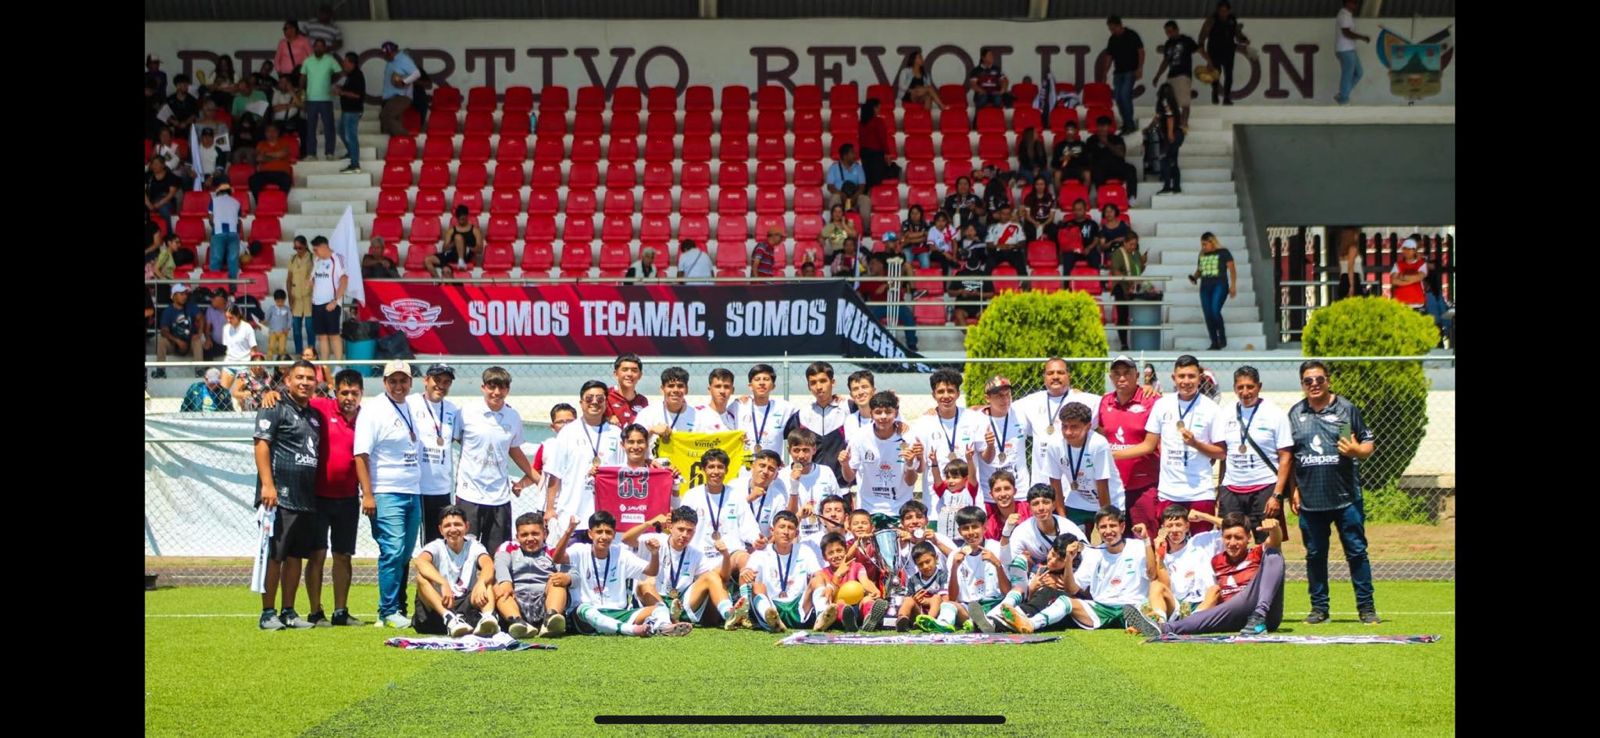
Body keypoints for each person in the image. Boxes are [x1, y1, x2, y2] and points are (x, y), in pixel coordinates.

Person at [1287, 361, 1379, 625]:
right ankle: (1319, 609)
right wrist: (1293, 491)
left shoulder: (1345, 409)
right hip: (1310, 500)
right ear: (1302, 384)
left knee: (1357, 553)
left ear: (1328, 380)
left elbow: (1367, 443)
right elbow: (1289, 457)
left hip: (1346, 498)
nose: (1314, 384)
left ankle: (1366, 608)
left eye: (1319, 379)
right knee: (1315, 556)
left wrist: (1356, 451)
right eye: (1308, 381)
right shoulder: (1295, 414)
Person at [1126, 514, 1286, 637]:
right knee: (1215, 601)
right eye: (1227, 537)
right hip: (1230, 614)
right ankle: (1160, 627)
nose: (1232, 543)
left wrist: (1275, 529)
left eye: (1238, 538)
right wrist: (1158, 555)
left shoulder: (1256, 553)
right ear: (1222, 538)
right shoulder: (1217, 560)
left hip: (1264, 613)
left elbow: (1275, 541)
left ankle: (1258, 617)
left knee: (1274, 554)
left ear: (1248, 538)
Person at [1113, 356, 1222, 533]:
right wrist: (1112, 454)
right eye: (1181, 376)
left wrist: (1196, 444)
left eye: (1191, 376)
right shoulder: (1162, 405)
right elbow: (1148, 445)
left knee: (1201, 544)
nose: (1186, 381)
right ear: (1173, 378)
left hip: (1200, 492)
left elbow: (1221, 453)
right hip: (1169, 492)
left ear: (1199, 378)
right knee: (1171, 544)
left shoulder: (1212, 409)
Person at [354, 360, 426, 629]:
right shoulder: (373, 410)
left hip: (412, 491)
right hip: (386, 492)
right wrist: (368, 494)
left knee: (404, 553)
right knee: (392, 551)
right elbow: (361, 454)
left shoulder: (411, 407)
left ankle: (396, 607)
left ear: (410, 382)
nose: (398, 386)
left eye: (403, 380)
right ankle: (387, 611)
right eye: (393, 381)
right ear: (384, 382)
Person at [252, 360, 322, 629]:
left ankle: (288, 612)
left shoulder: (314, 415)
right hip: (278, 496)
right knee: (275, 556)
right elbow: (261, 445)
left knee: (295, 557)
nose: (305, 382)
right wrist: (267, 485)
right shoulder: (274, 406)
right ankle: (267, 613)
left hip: (305, 498)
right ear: (288, 381)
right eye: (299, 377)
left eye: (310, 378)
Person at [1005, 507, 1152, 633]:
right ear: (1097, 529)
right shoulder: (1093, 553)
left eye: (1112, 526)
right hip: (1101, 607)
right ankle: (1030, 624)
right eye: (1103, 527)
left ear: (1122, 527)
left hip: (1132, 605)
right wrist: (1069, 560)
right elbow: (1072, 589)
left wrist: (1146, 540)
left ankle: (1144, 621)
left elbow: (1152, 574)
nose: (1108, 531)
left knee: (1139, 610)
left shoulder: (1138, 547)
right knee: (1065, 601)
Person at [1198, 367, 1294, 543]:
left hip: (1265, 488)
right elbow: (1224, 455)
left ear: (1259, 386)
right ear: (1234, 388)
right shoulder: (1225, 413)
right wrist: (1220, 489)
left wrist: (1277, 495)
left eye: (1250, 387)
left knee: (1268, 544)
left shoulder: (1275, 414)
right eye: (1240, 387)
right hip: (1232, 489)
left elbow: (1286, 457)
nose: (1245, 392)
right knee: (1230, 541)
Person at [553, 510, 686, 637]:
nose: (604, 537)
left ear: (614, 534)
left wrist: (654, 554)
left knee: (660, 608)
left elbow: (651, 571)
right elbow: (557, 558)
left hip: (618, 613)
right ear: (590, 534)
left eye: (608, 532)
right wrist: (569, 531)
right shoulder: (579, 550)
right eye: (599, 532)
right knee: (585, 610)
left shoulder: (621, 553)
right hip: (586, 616)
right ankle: (631, 630)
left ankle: (663, 626)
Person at [304, 368, 366, 627]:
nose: (349, 398)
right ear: (335, 392)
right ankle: (315, 611)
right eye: (344, 392)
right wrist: (272, 394)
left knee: (343, 556)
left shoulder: (367, 418)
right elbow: (295, 399)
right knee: (317, 555)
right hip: (317, 497)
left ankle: (340, 611)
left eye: (354, 393)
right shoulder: (320, 407)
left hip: (348, 499)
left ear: (361, 394)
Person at [455, 367, 538, 554]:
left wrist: (536, 478)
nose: (497, 392)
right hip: (469, 494)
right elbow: (456, 439)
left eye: (502, 388)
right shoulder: (466, 412)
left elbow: (514, 449)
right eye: (492, 387)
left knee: (498, 553)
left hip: (499, 496)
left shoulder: (513, 416)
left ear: (508, 390)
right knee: (465, 551)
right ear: (483, 387)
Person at [543, 380, 627, 545]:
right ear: (581, 402)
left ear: (606, 402)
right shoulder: (568, 432)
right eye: (589, 398)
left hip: (606, 517)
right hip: (573, 513)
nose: (594, 402)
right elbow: (555, 474)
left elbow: (624, 473)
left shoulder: (616, 433)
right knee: (570, 560)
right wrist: (550, 509)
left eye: (600, 398)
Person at [623, 506, 734, 627]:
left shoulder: (696, 554)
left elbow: (722, 578)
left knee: (711, 576)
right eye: (681, 529)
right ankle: (664, 617)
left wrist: (726, 556)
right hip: (652, 601)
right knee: (646, 582)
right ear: (670, 527)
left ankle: (729, 614)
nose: (685, 535)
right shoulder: (655, 540)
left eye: (690, 531)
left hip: (679, 605)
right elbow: (626, 539)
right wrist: (649, 523)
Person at [910, 369, 992, 530]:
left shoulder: (974, 418)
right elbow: (919, 467)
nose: (946, 396)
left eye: (950, 391)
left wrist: (990, 445)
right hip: (936, 506)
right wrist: (917, 456)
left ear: (958, 393)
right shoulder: (923, 424)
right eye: (941, 391)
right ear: (933, 395)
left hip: (970, 506)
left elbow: (987, 458)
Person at [411, 505, 499, 637]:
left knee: (487, 581)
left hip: (465, 603)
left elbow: (488, 564)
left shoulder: (474, 545)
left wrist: (481, 582)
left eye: (457, 524)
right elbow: (420, 562)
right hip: (440, 604)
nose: (453, 529)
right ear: (441, 530)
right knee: (421, 577)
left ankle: (488, 618)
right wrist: (443, 583)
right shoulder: (436, 546)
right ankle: (449, 619)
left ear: (467, 527)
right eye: (447, 526)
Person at [1016, 357, 1103, 490]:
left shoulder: (1086, 400)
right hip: (1042, 484)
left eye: (1060, 372)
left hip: (1074, 486)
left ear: (1069, 375)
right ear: (1044, 377)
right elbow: (1002, 408)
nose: (1055, 376)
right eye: (1050, 373)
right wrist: (984, 408)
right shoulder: (1031, 401)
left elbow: (1112, 404)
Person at [1099, 356, 1162, 534]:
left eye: (1127, 373)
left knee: (1146, 538)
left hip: (1143, 485)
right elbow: (1100, 435)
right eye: (1116, 373)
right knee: (1114, 538)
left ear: (1137, 375)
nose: (1122, 378)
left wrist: (1111, 454)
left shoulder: (1152, 401)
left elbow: (1150, 445)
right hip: (1113, 486)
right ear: (1110, 377)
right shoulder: (1104, 402)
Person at [841, 391, 923, 529]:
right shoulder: (859, 438)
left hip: (900, 509)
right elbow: (849, 477)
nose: (883, 417)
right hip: (869, 509)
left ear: (896, 413)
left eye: (888, 412)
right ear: (871, 413)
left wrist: (909, 465)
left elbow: (910, 481)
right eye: (878, 412)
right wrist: (844, 464)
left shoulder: (908, 438)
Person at [406, 363, 463, 545]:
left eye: (446, 382)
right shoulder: (410, 403)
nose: (441, 385)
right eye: (437, 380)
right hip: (416, 485)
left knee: (437, 541)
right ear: (426, 380)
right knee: (407, 541)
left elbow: (458, 439)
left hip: (441, 487)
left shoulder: (453, 409)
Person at [740, 511, 824, 633]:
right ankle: (772, 619)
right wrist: (746, 572)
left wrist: (828, 587)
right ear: (772, 530)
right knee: (757, 586)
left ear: (796, 533)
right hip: (772, 605)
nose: (786, 532)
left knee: (818, 580)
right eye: (782, 527)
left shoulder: (805, 550)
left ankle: (822, 615)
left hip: (799, 606)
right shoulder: (760, 553)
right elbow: (747, 571)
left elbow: (819, 574)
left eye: (790, 528)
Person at [492, 513, 575, 638]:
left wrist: (568, 578)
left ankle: (551, 620)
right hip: (516, 601)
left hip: (544, 602)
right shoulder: (509, 547)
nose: (530, 538)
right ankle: (518, 623)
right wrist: (505, 582)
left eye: (535, 534)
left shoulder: (553, 551)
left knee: (557, 580)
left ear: (545, 534)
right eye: (524, 535)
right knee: (499, 587)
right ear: (517, 537)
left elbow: (575, 574)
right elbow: (500, 564)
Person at [1047, 402, 1125, 531]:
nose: (1068, 432)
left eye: (1074, 427)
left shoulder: (1098, 444)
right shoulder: (1054, 444)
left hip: (1109, 500)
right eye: (1064, 426)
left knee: (1110, 538)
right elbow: (1055, 482)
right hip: (1078, 500)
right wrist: (1063, 518)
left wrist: (1106, 519)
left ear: (1088, 426)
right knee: (1072, 539)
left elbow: (1102, 484)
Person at [946, 505, 1014, 632]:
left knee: (1006, 607)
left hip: (994, 602)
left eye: (975, 527)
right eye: (965, 528)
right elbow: (952, 597)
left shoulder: (996, 548)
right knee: (948, 605)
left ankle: (982, 622)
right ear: (959, 531)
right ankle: (944, 625)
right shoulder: (954, 555)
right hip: (968, 607)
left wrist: (997, 565)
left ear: (984, 527)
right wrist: (955, 568)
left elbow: (1007, 591)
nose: (971, 532)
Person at [781, 362, 851, 483]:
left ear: (833, 382)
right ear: (808, 386)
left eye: (823, 381)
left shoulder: (849, 409)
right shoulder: (801, 415)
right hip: (810, 485)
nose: (818, 387)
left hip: (843, 486)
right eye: (813, 383)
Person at [811, 531, 884, 631]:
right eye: (831, 553)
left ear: (845, 551)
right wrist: (837, 576)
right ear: (824, 557)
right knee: (840, 602)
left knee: (867, 599)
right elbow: (829, 597)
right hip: (837, 611)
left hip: (857, 606)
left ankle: (870, 618)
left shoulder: (857, 566)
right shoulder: (823, 573)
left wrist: (874, 591)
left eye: (839, 551)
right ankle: (848, 621)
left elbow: (865, 581)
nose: (836, 555)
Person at [974, 377, 1029, 500]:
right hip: (990, 494)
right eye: (999, 396)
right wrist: (990, 445)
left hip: (1020, 492)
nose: (1005, 399)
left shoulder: (1021, 414)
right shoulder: (976, 420)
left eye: (1007, 394)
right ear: (987, 398)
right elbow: (987, 459)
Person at [1187, 232, 1237, 350]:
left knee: (1215, 310)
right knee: (1208, 314)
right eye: (1202, 244)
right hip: (1205, 286)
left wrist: (1233, 286)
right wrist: (1194, 277)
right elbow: (1200, 270)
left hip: (1220, 285)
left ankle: (1222, 336)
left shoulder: (1223, 252)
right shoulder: (1202, 254)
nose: (1203, 247)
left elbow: (1232, 270)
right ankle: (1214, 342)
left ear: (1212, 242)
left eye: (1205, 244)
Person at [1199, 1, 1249, 106]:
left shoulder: (1232, 19)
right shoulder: (1212, 20)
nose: (1223, 13)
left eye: (1225, 11)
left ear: (1229, 11)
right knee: (1216, 73)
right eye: (1221, 11)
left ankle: (1227, 97)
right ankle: (1215, 92)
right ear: (1218, 11)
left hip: (1228, 50)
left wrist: (1244, 39)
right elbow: (1203, 33)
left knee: (1229, 74)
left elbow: (1237, 33)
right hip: (1214, 50)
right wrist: (1201, 46)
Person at [1153, 20, 1200, 128]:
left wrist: (1209, 62)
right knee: (1168, 101)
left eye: (1170, 31)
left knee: (1184, 102)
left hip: (1183, 74)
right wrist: (1158, 75)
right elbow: (1165, 61)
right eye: (1166, 32)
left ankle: (1184, 125)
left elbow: (1199, 50)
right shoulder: (1168, 43)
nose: (1168, 34)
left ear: (1176, 30)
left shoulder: (1186, 40)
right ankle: (1175, 125)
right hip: (1171, 75)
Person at [1103, 16, 1146, 134]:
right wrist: (1105, 72)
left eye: (1113, 29)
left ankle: (1129, 124)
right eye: (1110, 29)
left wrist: (1140, 68)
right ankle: (1126, 122)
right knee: (1118, 97)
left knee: (1124, 95)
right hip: (1118, 72)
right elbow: (1109, 57)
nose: (1112, 31)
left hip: (1130, 71)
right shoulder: (1112, 39)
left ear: (1119, 25)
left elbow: (1141, 52)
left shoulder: (1132, 35)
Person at [740, 363, 795, 456]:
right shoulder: (739, 407)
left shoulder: (785, 408)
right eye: (757, 379)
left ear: (773, 386)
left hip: (772, 464)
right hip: (745, 464)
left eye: (766, 379)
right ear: (750, 386)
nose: (761, 383)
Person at [300, 38, 340, 161]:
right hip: (311, 99)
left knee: (329, 127)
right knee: (310, 127)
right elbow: (303, 77)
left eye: (321, 46)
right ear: (313, 48)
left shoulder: (330, 60)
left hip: (326, 99)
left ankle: (329, 152)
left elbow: (339, 72)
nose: (318, 48)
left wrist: (330, 81)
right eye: (316, 46)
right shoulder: (307, 61)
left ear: (325, 48)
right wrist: (302, 92)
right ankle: (311, 153)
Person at [309, 235, 348, 361]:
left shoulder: (337, 258)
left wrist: (335, 300)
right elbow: (313, 278)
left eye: (316, 250)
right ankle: (324, 365)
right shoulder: (317, 260)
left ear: (323, 247)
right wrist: (310, 283)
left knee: (334, 335)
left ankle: (338, 365)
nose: (314, 253)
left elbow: (344, 280)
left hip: (331, 303)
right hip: (317, 303)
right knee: (322, 336)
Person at [1108, 232, 1149, 351]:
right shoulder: (1118, 253)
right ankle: (1124, 343)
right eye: (1131, 244)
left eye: (1135, 244)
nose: (1133, 247)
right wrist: (1127, 279)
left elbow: (1138, 269)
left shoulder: (1135, 253)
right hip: (1121, 287)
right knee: (1123, 315)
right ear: (1124, 243)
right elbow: (1115, 271)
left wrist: (1143, 262)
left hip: (1134, 287)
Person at [1084, 116, 1139, 198]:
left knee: (1131, 169)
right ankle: (1102, 196)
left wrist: (1107, 143)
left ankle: (1131, 198)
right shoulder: (1091, 140)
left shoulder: (1116, 139)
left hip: (1116, 167)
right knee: (1096, 169)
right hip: (1100, 168)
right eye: (1100, 126)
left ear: (1109, 127)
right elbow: (1087, 157)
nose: (1102, 128)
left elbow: (1121, 154)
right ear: (1097, 126)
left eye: (1104, 126)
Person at [155, 283, 205, 371]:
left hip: (190, 343)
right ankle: (160, 371)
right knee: (161, 340)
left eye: (186, 294)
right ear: (174, 296)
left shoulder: (191, 306)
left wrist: (200, 333)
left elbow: (201, 318)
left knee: (197, 340)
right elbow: (164, 331)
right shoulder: (168, 311)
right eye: (181, 294)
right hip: (174, 344)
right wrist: (177, 341)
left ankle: (199, 370)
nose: (185, 296)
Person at [379, 42, 421, 136]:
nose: (385, 57)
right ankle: (399, 144)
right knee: (390, 126)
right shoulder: (391, 61)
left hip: (400, 97)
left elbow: (416, 73)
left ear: (393, 52)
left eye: (387, 54)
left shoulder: (403, 59)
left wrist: (404, 82)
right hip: (390, 98)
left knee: (385, 116)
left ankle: (406, 138)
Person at [1335, 0, 1371, 105]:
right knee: (1347, 74)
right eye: (1354, 2)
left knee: (1359, 73)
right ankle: (1343, 100)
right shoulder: (1344, 15)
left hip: (1350, 49)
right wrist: (1362, 37)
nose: (1356, 4)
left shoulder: (1348, 15)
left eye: (1356, 2)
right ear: (1347, 3)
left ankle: (1342, 95)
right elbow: (1346, 33)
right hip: (1345, 50)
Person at [428, 205, 482, 277]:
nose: (461, 221)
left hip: (466, 255)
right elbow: (445, 248)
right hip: (452, 254)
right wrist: (455, 243)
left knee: (458, 237)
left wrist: (467, 247)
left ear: (467, 216)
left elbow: (480, 249)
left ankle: (461, 261)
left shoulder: (475, 230)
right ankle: (438, 280)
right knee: (428, 260)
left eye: (463, 219)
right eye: (459, 219)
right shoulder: (451, 230)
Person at [334, 52, 365, 174]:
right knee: (341, 130)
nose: (343, 63)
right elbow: (350, 90)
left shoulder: (357, 76)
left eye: (345, 61)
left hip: (353, 111)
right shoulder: (351, 75)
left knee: (350, 136)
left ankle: (355, 164)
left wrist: (341, 92)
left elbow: (357, 95)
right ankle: (351, 152)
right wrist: (341, 88)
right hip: (347, 110)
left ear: (351, 63)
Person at [283, 237, 315, 355]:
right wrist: (289, 296)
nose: (297, 250)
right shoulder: (292, 259)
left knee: (310, 328)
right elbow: (289, 279)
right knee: (296, 329)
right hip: (295, 297)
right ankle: (299, 353)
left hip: (309, 297)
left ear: (305, 245)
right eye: (295, 248)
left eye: (300, 247)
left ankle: (311, 353)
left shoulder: (312, 258)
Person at [1151, 83, 1184, 194]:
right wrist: (1149, 127)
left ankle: (1167, 186)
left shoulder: (1164, 101)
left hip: (1172, 134)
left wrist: (1169, 134)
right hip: (1178, 133)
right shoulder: (1173, 103)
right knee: (1173, 160)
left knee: (1164, 159)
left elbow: (1170, 117)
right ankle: (1176, 186)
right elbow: (1158, 118)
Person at [824, 144, 872, 221]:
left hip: (855, 197)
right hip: (840, 198)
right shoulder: (834, 168)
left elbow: (862, 186)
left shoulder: (858, 167)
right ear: (845, 156)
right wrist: (841, 194)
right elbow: (830, 186)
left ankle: (866, 227)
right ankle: (835, 225)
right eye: (852, 153)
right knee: (835, 197)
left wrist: (854, 197)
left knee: (865, 199)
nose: (855, 155)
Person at [249, 122, 295, 201]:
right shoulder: (261, 144)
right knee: (253, 180)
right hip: (264, 173)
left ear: (278, 132)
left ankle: (281, 202)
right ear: (265, 133)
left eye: (274, 131)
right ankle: (260, 203)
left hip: (281, 173)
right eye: (268, 131)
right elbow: (259, 158)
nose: (271, 133)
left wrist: (266, 154)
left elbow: (282, 154)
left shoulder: (284, 142)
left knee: (286, 180)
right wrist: (277, 157)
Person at [858, 98, 893, 193]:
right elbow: (882, 139)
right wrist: (887, 153)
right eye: (878, 108)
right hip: (876, 154)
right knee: (876, 180)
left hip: (864, 153)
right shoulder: (878, 121)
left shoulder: (861, 123)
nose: (879, 110)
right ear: (873, 108)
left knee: (867, 178)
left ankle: (867, 196)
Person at [605, 353, 649, 427]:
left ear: (640, 375)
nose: (629, 374)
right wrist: (607, 418)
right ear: (616, 374)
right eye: (625, 370)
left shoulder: (643, 401)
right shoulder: (606, 396)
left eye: (634, 370)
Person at [985, 202, 1027, 277]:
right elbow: (989, 244)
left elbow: (1022, 242)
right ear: (999, 214)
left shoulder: (1017, 226)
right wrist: (999, 246)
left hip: (1012, 251)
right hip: (997, 251)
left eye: (1008, 214)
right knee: (989, 263)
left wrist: (1014, 246)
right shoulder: (992, 227)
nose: (1006, 216)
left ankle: (1025, 283)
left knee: (1020, 261)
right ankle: (986, 284)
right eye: (1003, 214)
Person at [1051, 120, 1091, 191]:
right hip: (1064, 169)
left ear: (1075, 131)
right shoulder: (1059, 145)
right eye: (1067, 130)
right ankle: (1060, 196)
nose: (1069, 132)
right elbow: (1054, 163)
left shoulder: (1082, 145)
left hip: (1078, 169)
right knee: (1057, 174)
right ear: (1065, 131)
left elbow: (1087, 161)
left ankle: (1084, 195)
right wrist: (1063, 158)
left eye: (1071, 130)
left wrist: (1076, 156)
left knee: (1087, 174)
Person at [145, 156, 181, 232]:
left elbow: (171, 194)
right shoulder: (148, 176)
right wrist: (149, 205)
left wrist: (158, 204)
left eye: (156, 164)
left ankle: (169, 234)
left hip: (166, 201)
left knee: (164, 210)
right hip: (150, 201)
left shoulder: (171, 177)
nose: (154, 166)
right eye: (153, 164)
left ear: (163, 165)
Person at [967, 47, 1009, 112]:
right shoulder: (976, 70)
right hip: (982, 94)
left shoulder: (997, 69)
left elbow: (1004, 80)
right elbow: (973, 84)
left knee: (998, 100)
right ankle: (979, 117)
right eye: (989, 55)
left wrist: (1002, 90)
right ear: (983, 58)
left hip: (994, 93)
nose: (992, 57)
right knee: (983, 99)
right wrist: (981, 91)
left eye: (992, 55)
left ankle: (996, 116)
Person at [1390, 238, 1428, 308]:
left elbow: (1419, 277)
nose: (1407, 251)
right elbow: (1393, 281)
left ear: (1414, 251)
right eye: (1405, 249)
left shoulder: (1421, 264)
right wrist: (1412, 280)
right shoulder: (1397, 264)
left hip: (1417, 303)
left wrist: (1402, 277)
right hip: (1400, 303)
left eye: (1409, 249)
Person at [1020, 174, 1057, 244]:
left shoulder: (1051, 197)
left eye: (1042, 184)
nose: (1040, 187)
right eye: (1037, 184)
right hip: (1032, 221)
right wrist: (1035, 223)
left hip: (1046, 222)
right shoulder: (1029, 197)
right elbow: (1027, 216)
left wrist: (1044, 225)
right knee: (1029, 231)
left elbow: (1051, 217)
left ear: (1045, 185)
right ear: (1034, 185)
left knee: (1054, 230)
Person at [263, 289, 292, 360]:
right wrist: (263, 322)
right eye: (278, 301)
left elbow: (290, 319)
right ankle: (269, 360)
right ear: (275, 300)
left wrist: (288, 328)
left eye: (282, 301)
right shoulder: (271, 309)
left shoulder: (287, 309)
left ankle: (281, 360)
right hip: (273, 332)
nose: (280, 303)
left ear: (284, 300)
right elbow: (267, 318)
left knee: (282, 348)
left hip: (283, 332)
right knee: (271, 347)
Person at [899, 205, 931, 269]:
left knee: (926, 263)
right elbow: (908, 235)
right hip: (908, 248)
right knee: (907, 263)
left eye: (917, 213)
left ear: (921, 214)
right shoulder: (906, 223)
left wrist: (910, 240)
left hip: (921, 249)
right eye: (912, 213)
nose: (914, 215)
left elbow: (926, 238)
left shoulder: (926, 224)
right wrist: (923, 233)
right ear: (909, 214)